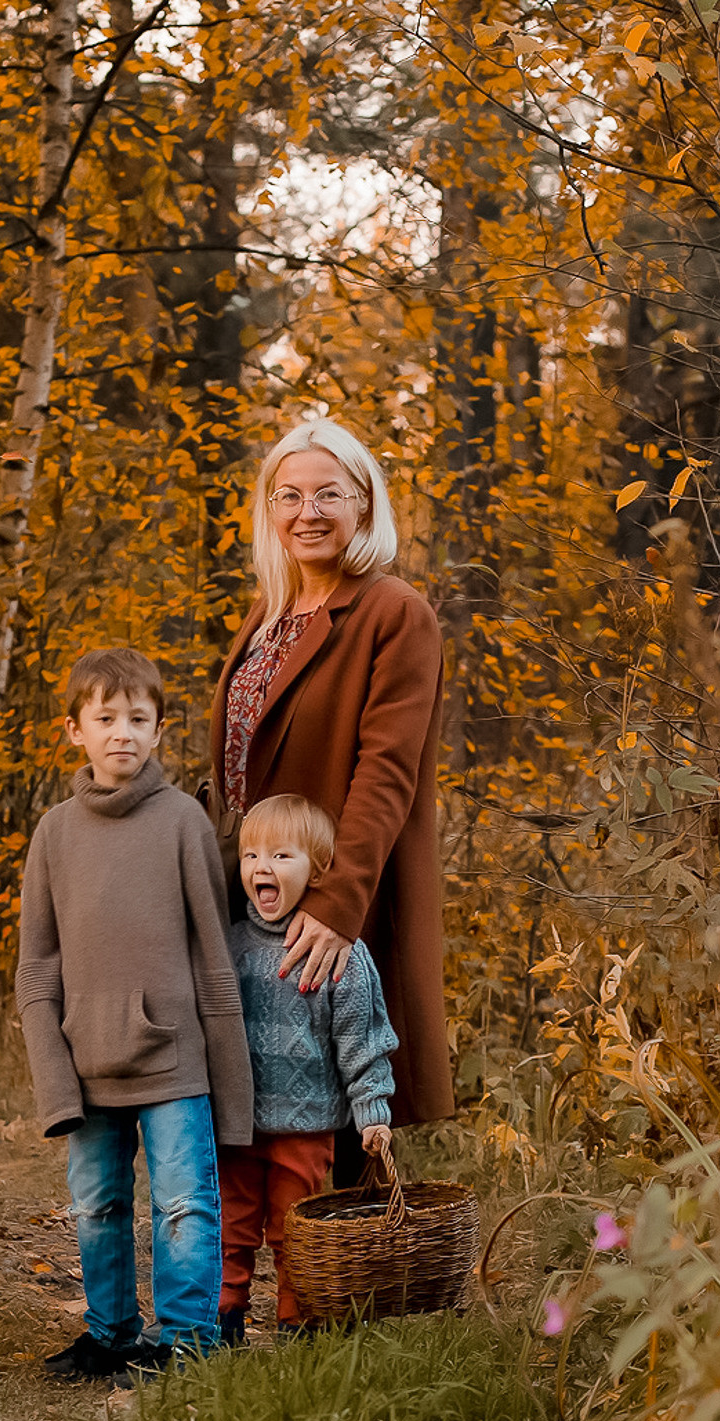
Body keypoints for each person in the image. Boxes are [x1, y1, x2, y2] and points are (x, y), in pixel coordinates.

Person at [206, 417, 451, 1187]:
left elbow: (388, 771)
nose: (307, 512)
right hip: (263, 890)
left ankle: (347, 1286)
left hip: (337, 885)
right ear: (269, 510)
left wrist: (339, 903)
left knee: (343, 1086)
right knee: (277, 1092)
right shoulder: (267, 614)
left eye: (328, 495)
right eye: (289, 496)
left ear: (364, 506)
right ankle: (290, 1269)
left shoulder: (392, 610)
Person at [15, 647, 253, 1380]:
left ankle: (187, 1339)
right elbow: (36, 968)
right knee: (97, 1206)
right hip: (88, 1065)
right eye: (106, 718)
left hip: (174, 1059)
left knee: (185, 1204)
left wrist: (230, 1085)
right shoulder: (54, 834)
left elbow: (216, 959)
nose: (123, 732)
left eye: (139, 719)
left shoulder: (182, 822)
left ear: (158, 731)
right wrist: (55, 1082)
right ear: (74, 730)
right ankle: (110, 1335)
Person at [218, 795, 398, 1344]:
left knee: (294, 1227)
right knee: (231, 1223)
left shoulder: (336, 952)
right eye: (251, 856)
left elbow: (361, 1038)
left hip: (306, 1123)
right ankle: (223, 1317)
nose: (261, 868)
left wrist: (372, 1112)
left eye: (281, 856)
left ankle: (297, 1320)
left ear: (318, 870)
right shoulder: (229, 944)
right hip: (237, 1124)